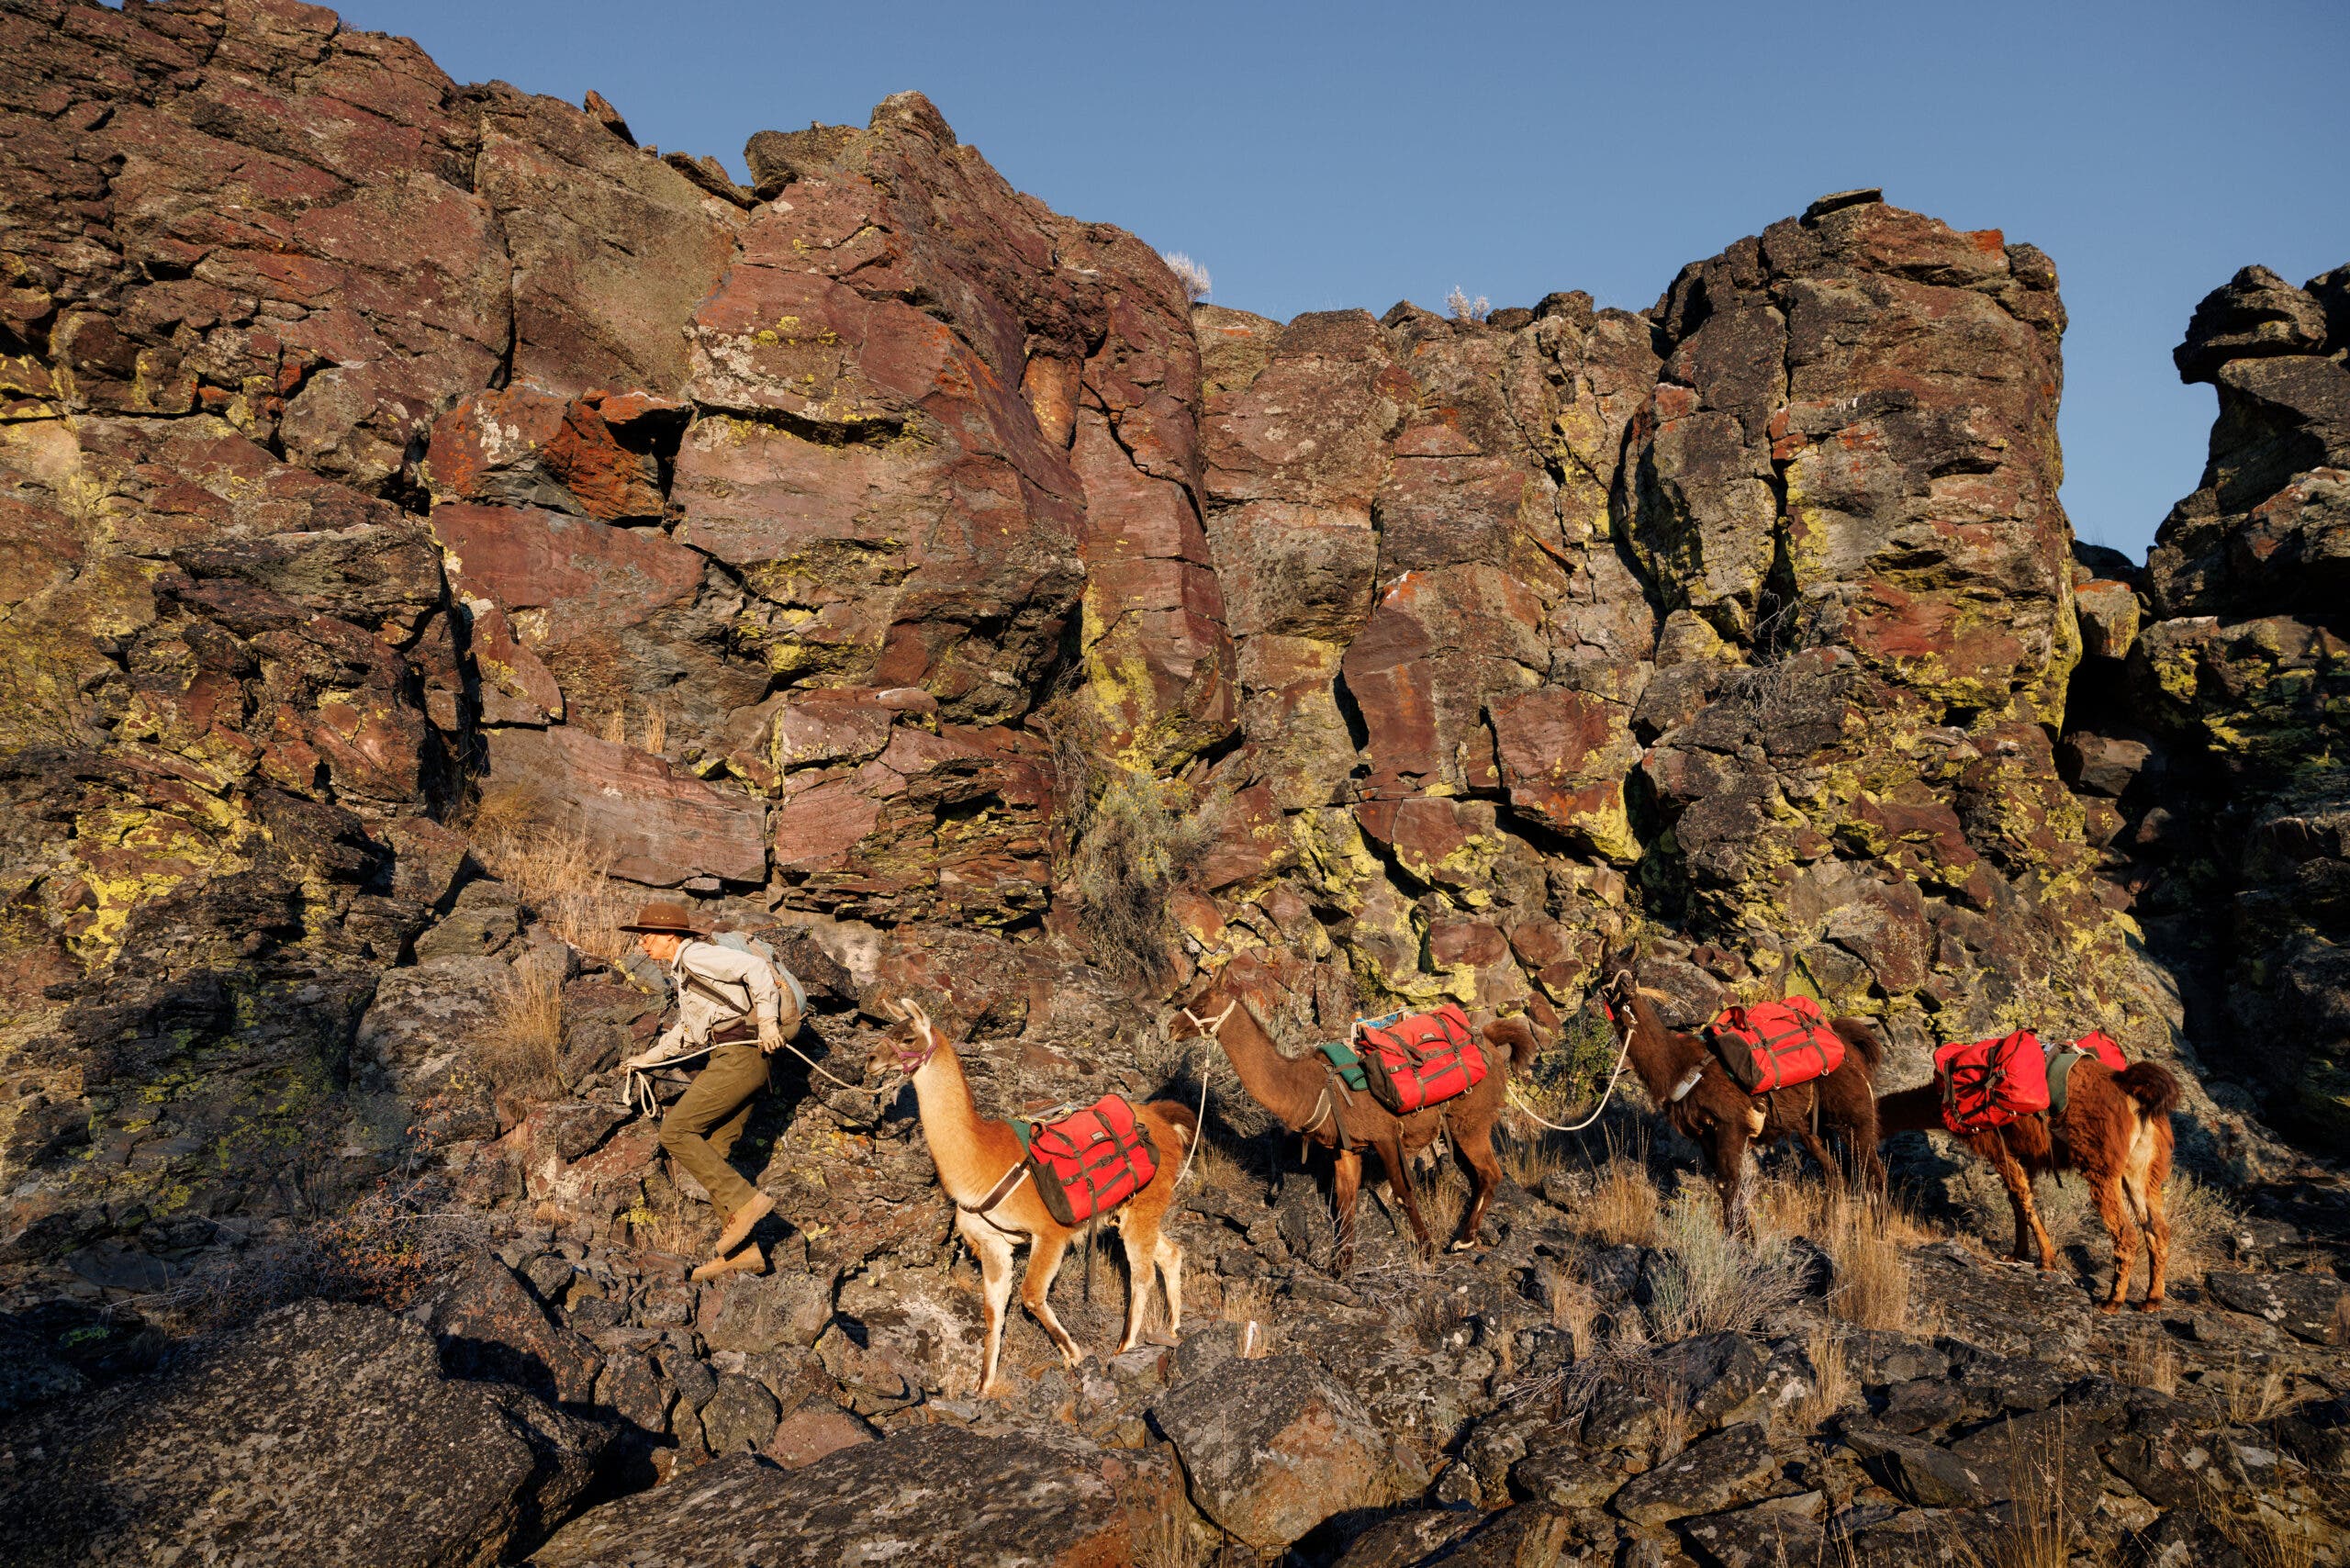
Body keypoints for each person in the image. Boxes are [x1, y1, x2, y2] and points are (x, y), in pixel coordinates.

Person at [617, 902, 799, 1282]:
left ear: (671, 936)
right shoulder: (684, 972)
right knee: (714, 1151)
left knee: (675, 1131)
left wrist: (767, 1021)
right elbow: (687, 1031)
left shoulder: (696, 955)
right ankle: (742, 1252)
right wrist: (645, 1059)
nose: (643, 944)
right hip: (737, 1056)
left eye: (647, 936)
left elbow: (754, 968)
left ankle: (747, 1202)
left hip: (742, 1055)